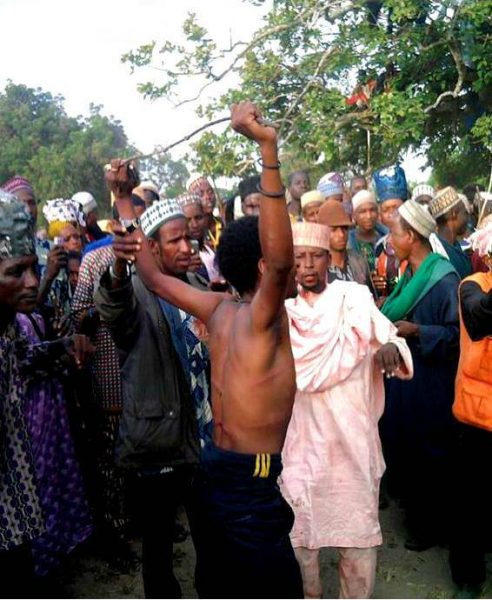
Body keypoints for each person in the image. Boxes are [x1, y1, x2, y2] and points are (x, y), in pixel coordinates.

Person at [106, 100, 304, 599]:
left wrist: (125, 201)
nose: (298, 269)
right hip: (243, 479)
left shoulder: (219, 310)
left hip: (218, 467)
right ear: (264, 268)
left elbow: (153, 276)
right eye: (290, 262)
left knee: (224, 581)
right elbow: (280, 261)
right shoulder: (258, 318)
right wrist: (267, 148)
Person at [281, 221, 412, 599]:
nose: (308, 265)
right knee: (300, 536)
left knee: (356, 539)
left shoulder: (353, 298)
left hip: (351, 443)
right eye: (299, 258)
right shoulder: (283, 312)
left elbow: (388, 336)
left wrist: (391, 348)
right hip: (302, 443)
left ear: (329, 259)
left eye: (315, 256)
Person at [95, 197, 212, 598]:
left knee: (211, 539)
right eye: (174, 240)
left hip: (203, 438)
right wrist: (118, 266)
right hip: (157, 442)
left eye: (187, 239)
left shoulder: (196, 285)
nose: (185, 247)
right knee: (159, 551)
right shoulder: (135, 293)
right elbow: (112, 305)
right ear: (154, 248)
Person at [0, 191, 92, 593]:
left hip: (16, 515)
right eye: (15, 272)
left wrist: (64, 346)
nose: (33, 282)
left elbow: (23, 358)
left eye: (34, 268)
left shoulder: (7, 328)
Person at [380, 200, 460, 551]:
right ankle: (417, 520)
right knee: (408, 449)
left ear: (411, 236)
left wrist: (418, 332)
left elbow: (457, 336)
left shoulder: (443, 279)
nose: (390, 240)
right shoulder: (410, 275)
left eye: (394, 234)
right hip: (407, 385)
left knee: (432, 454)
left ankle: (432, 529)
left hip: (433, 385)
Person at [448, 218, 492, 598]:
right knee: (471, 502)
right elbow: (478, 322)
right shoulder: (472, 286)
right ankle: (468, 577)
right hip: (477, 416)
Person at [317, 199, 378, 296]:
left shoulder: (359, 260)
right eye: (334, 230)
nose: (341, 235)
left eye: (344, 228)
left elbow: (371, 296)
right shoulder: (318, 266)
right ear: (322, 232)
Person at [373, 165, 409, 297]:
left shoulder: (421, 241)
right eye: (385, 210)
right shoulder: (380, 247)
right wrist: (377, 284)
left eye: (396, 208)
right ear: (380, 215)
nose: (391, 214)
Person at [428, 186, 472, 279]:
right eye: (465, 213)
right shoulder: (435, 249)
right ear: (454, 213)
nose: (467, 219)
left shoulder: (455, 245)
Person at [179, 193, 221, 282]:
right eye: (188, 220)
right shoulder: (180, 256)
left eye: (198, 218)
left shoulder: (210, 246)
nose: (194, 225)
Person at [349, 189, 387, 273]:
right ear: (354, 215)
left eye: (372, 210)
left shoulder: (386, 238)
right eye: (363, 212)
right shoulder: (349, 242)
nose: (369, 216)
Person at [187, 174, 222, 250]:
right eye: (201, 194)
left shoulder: (223, 223)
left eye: (210, 192)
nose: (208, 197)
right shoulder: (194, 232)